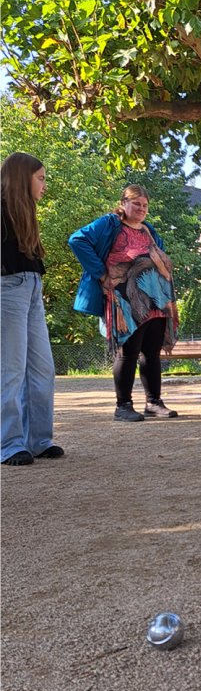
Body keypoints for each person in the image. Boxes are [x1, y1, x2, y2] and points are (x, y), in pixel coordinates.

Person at [69, 185, 179, 421]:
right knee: (128, 351)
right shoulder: (109, 223)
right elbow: (77, 240)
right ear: (123, 203)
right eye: (136, 203)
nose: (141, 208)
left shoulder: (148, 229)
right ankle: (123, 406)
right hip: (124, 299)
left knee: (151, 351)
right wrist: (100, 273)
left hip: (155, 298)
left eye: (145, 205)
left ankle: (154, 402)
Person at [1, 153, 64, 465]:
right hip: (6, 289)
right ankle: (8, 444)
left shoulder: (26, 211)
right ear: (21, 178)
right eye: (40, 178)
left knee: (42, 368)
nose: (44, 184)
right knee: (10, 370)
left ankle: (39, 440)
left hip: (32, 287)